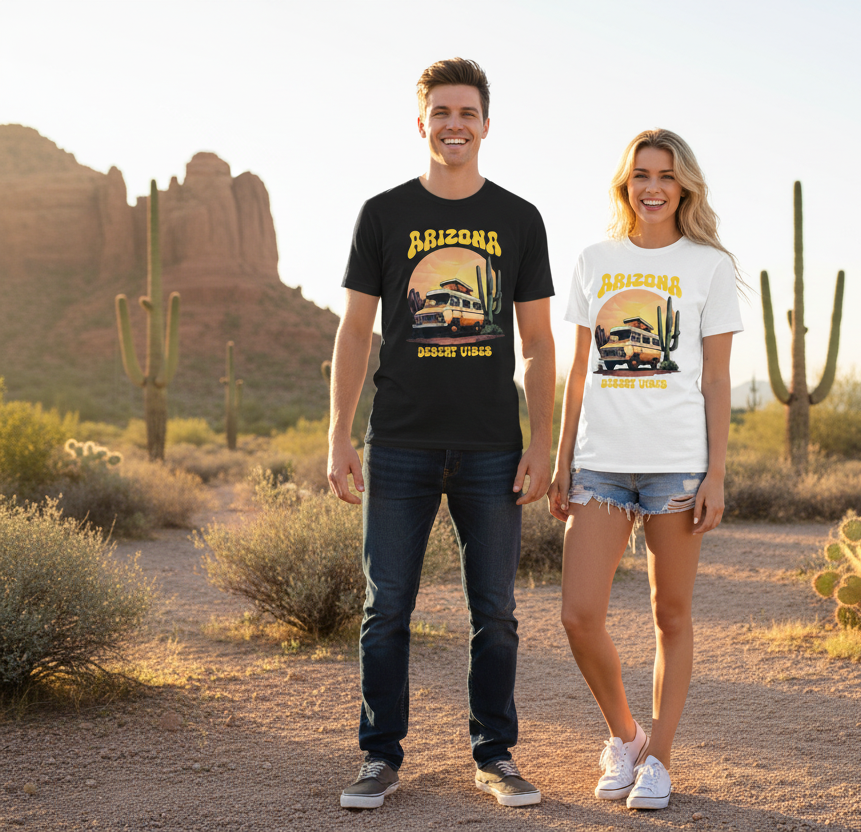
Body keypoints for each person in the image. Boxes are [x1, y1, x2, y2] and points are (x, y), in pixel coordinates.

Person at [327, 57, 555, 810]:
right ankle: (378, 759)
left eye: (467, 112)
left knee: (494, 610)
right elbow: (356, 332)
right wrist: (340, 432)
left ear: (486, 124)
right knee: (385, 607)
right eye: (441, 112)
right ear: (420, 122)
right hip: (399, 441)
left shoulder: (519, 218)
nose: (454, 124)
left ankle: (495, 755)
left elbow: (540, 344)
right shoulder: (383, 213)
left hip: (493, 446)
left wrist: (542, 441)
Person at [548, 128, 742, 810]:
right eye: (640, 175)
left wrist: (716, 474)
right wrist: (561, 458)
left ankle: (659, 758)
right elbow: (578, 369)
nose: (652, 186)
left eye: (664, 175)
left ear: (683, 185)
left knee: (672, 615)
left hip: (676, 469)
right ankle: (625, 735)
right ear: (624, 185)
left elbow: (716, 379)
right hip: (599, 465)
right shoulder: (594, 259)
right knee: (579, 614)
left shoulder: (709, 266)